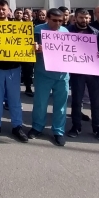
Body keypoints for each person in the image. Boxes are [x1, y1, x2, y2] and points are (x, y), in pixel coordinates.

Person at [66, 9, 99, 142]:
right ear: (75, 18)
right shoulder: (68, 31)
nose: (84, 20)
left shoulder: (95, 32)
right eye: (81, 17)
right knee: (76, 100)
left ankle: (97, 128)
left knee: (96, 101)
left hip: (93, 71)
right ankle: (76, 126)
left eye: (86, 18)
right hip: (77, 71)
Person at [0, 0, 28, 143]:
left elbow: (25, 45)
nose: (1, 11)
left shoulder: (18, 27)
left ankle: (17, 126)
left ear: (9, 10)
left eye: (3, 9)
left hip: (13, 68)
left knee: (14, 99)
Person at [29, 8, 69, 146]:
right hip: (43, 74)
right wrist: (34, 47)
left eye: (60, 20)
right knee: (40, 103)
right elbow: (27, 48)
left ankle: (58, 131)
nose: (57, 23)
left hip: (62, 75)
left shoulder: (66, 32)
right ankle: (37, 127)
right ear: (47, 18)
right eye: (54, 20)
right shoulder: (37, 30)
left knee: (61, 105)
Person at [21, 9, 35, 97]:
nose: (26, 15)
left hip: (29, 51)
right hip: (19, 50)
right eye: (25, 13)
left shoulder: (35, 25)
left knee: (28, 71)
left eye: (28, 13)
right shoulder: (17, 23)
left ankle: (28, 87)